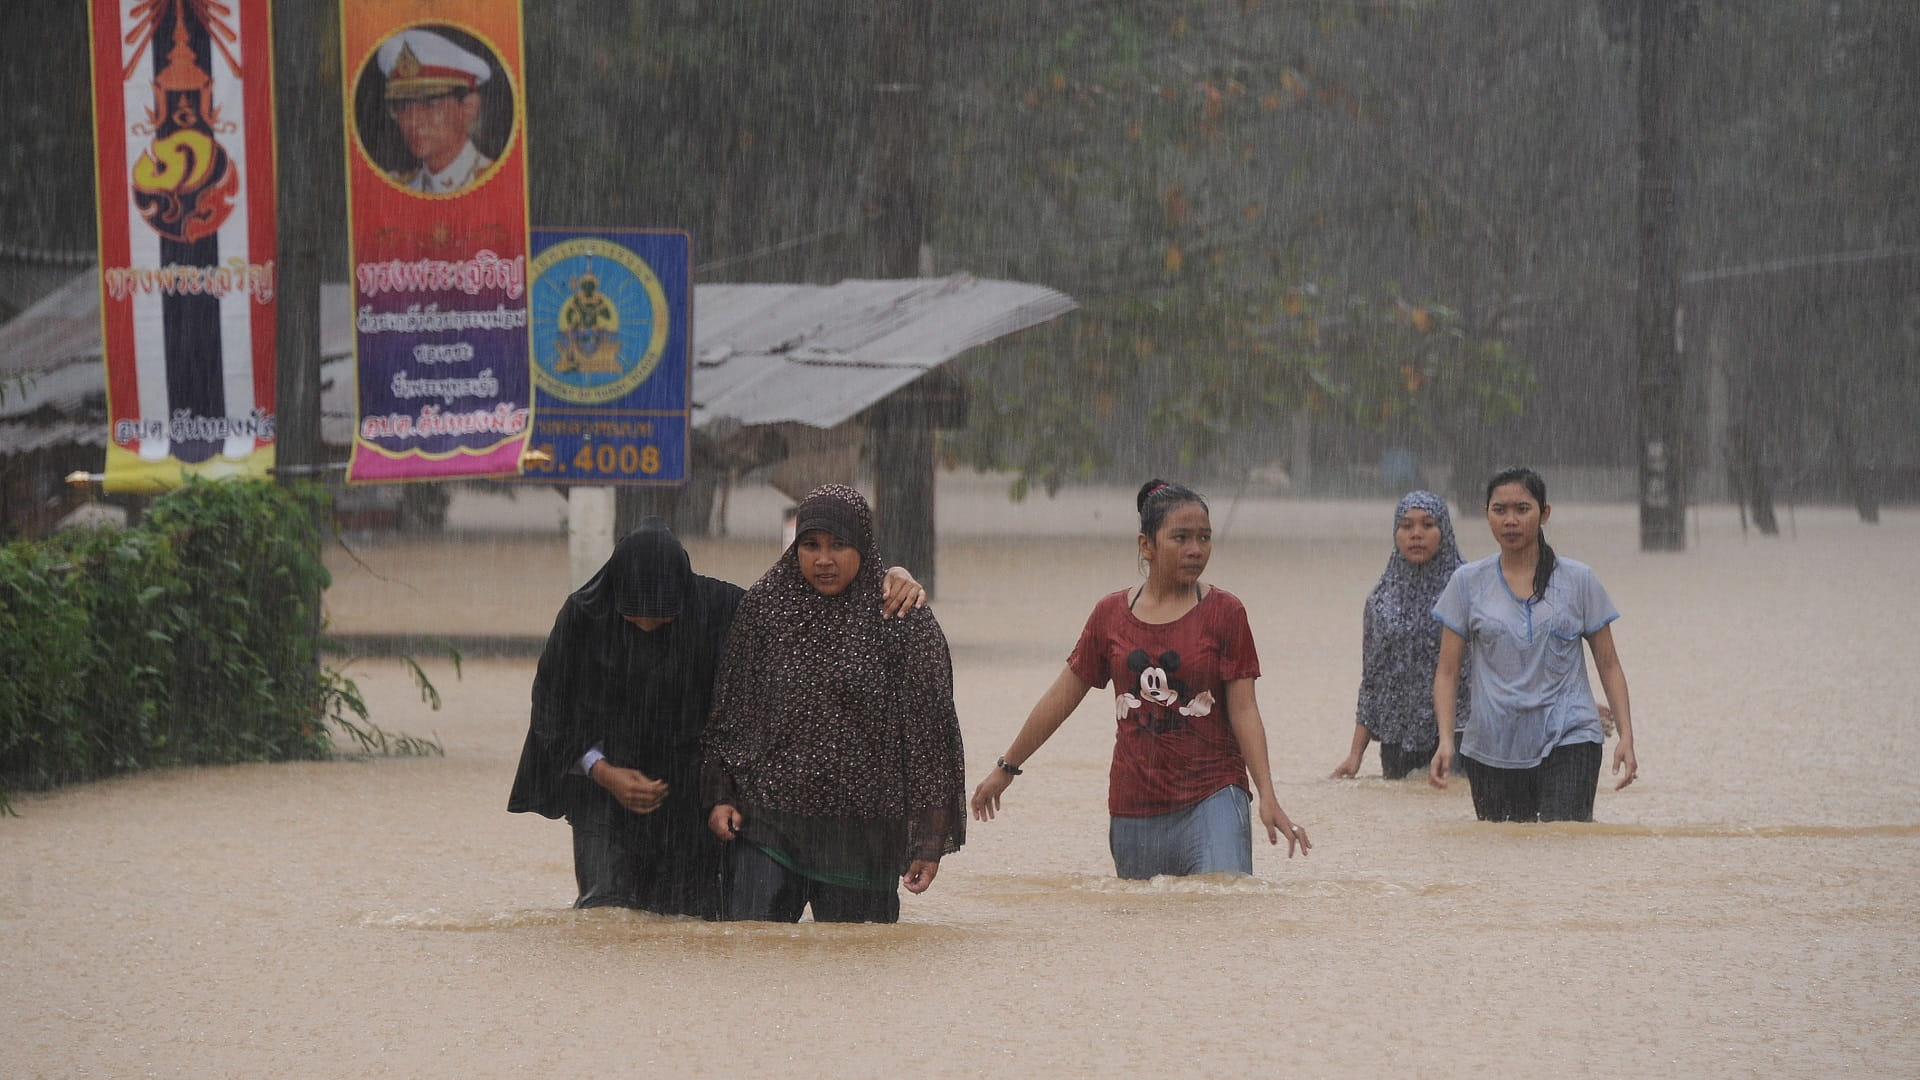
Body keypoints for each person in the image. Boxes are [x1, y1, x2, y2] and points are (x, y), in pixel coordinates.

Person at [507, 516, 925, 917]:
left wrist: (889, 576)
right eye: (636, 617)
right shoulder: (583, 617)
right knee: (605, 912)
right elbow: (550, 710)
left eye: (663, 617)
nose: (649, 627)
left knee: (698, 920)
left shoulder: (721, 607)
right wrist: (604, 772)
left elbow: (807, 597)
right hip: (603, 794)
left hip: (694, 793)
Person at [970, 479, 1310, 879]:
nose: (1196, 550)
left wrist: (1267, 794)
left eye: (1204, 538)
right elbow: (1061, 699)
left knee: (1222, 911)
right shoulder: (1110, 615)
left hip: (1214, 794)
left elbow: (1245, 709)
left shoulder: (1226, 613)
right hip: (1134, 807)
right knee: (1145, 929)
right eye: (1180, 538)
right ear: (1146, 546)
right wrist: (1006, 768)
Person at [702, 485, 966, 923]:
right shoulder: (765, 609)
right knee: (752, 954)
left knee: (859, 967)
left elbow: (930, 740)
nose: (823, 560)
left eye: (838, 545)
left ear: (862, 545)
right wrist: (719, 796)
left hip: (860, 839)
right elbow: (730, 716)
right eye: (811, 545)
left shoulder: (902, 617)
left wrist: (928, 840)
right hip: (769, 826)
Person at [1428, 467, 1639, 820]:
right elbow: (1447, 672)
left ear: (1544, 513)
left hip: (1569, 735)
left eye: (1522, 509)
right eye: (1500, 510)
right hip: (1492, 743)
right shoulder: (1467, 583)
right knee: (1506, 855)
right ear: (1487, 515)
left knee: (1564, 844)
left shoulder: (1579, 581)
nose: (1510, 520)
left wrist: (1627, 736)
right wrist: (1447, 740)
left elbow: (1609, 664)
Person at [1331, 491, 1472, 780]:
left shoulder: (1472, 591)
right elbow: (1372, 682)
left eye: (1427, 525)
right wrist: (1355, 754)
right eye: (1406, 526)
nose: (1416, 534)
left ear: (1444, 531)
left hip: (1463, 737)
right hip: (1399, 741)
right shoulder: (1380, 601)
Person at [377, 29, 496, 194]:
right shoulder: (401, 188)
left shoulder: (497, 181)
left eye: (429, 104)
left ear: (469, 107)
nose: (412, 121)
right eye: (403, 106)